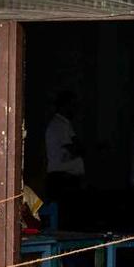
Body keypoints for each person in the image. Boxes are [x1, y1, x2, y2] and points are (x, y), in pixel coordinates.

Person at [44, 91, 85, 229]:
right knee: (63, 221)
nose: (75, 109)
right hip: (61, 178)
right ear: (64, 106)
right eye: (72, 105)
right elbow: (75, 148)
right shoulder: (58, 125)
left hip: (66, 177)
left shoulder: (65, 124)